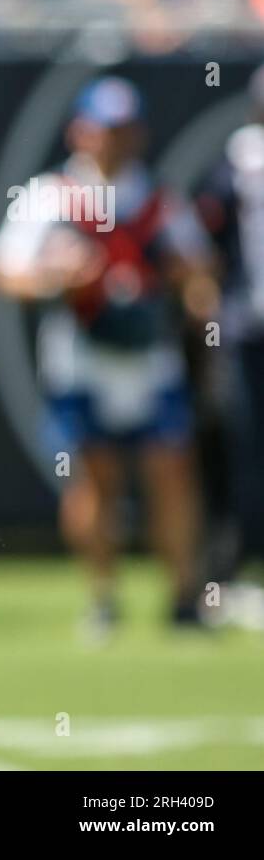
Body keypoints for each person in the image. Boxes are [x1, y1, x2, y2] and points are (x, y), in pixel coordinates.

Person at [0, 76, 217, 639]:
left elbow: (198, 271)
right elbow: (6, 272)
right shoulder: (51, 195)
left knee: (171, 470)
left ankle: (184, 595)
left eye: (123, 130)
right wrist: (58, 276)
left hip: (149, 356)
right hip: (82, 355)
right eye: (104, 130)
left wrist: (190, 292)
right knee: (95, 478)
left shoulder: (159, 198)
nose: (114, 141)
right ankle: (103, 596)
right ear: (81, 132)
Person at [191, 63, 264, 630]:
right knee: (237, 450)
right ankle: (229, 572)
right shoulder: (235, 166)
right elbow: (205, 253)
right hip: (244, 329)